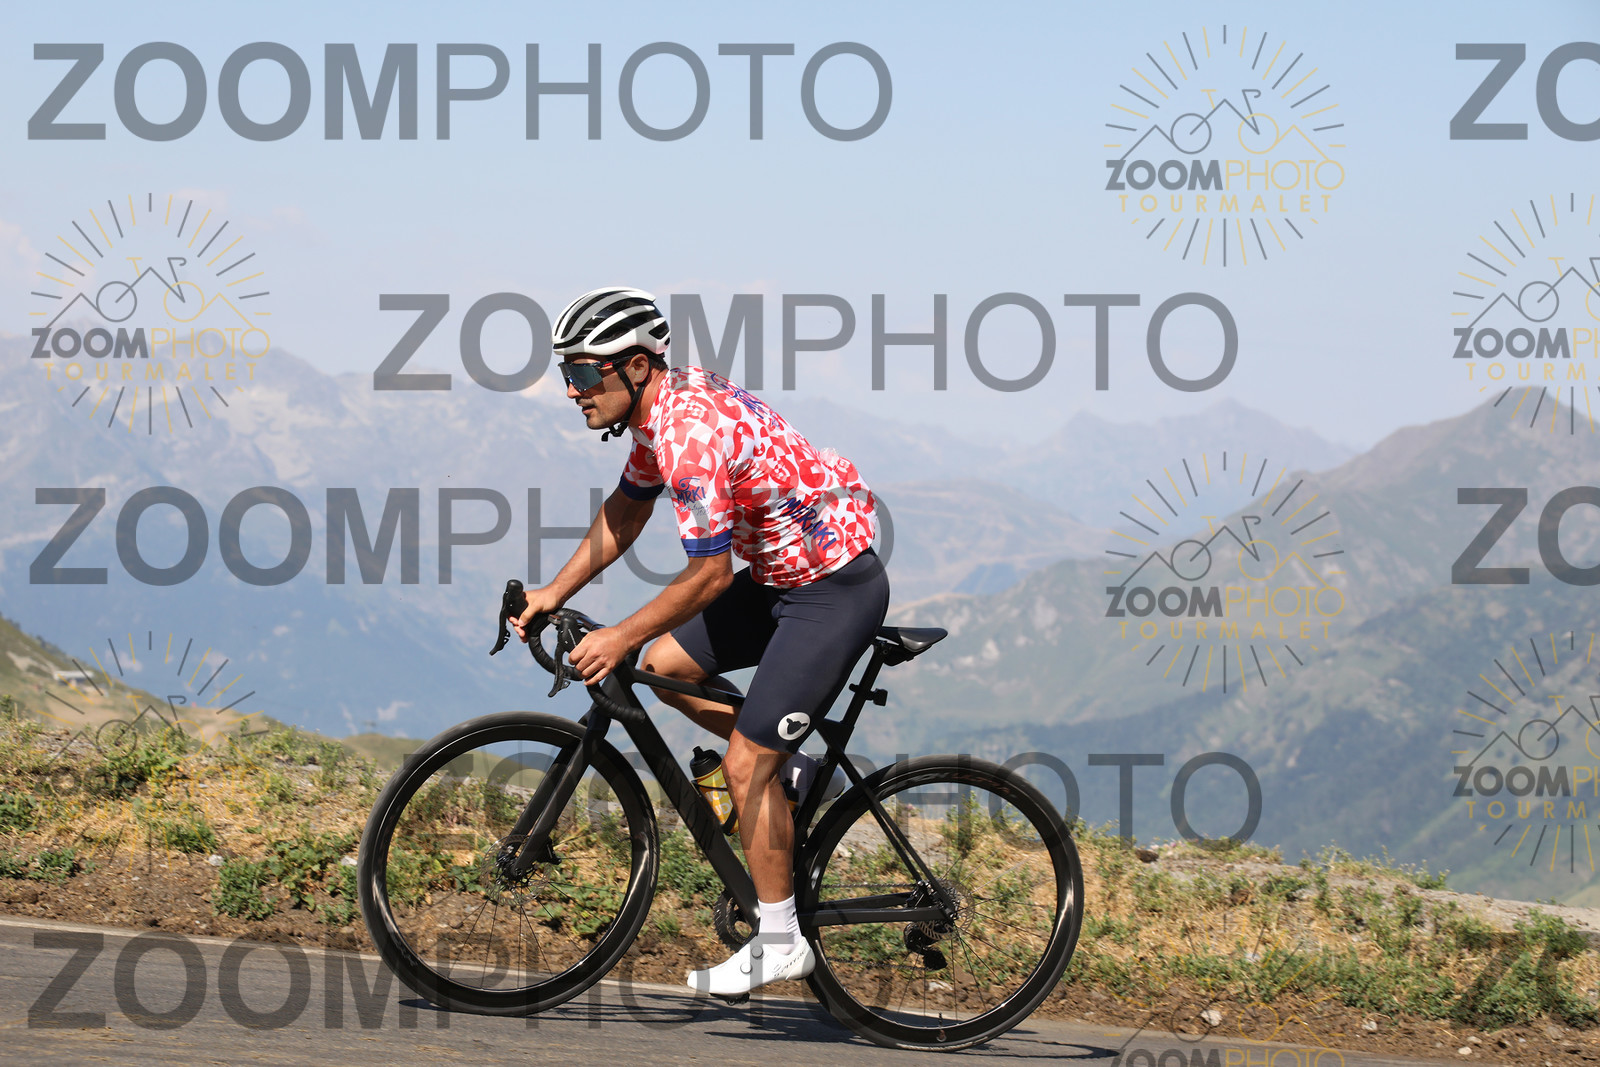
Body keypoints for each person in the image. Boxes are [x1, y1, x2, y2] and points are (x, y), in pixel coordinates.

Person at [510, 287, 890, 997]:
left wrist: (618, 634)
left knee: (744, 766)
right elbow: (626, 511)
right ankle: (796, 773)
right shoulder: (657, 412)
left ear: (635, 366)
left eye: (585, 372)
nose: (571, 389)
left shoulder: (687, 432)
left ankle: (781, 940)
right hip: (780, 579)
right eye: (566, 371)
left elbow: (710, 574)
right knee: (666, 664)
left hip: (831, 591)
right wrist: (553, 593)